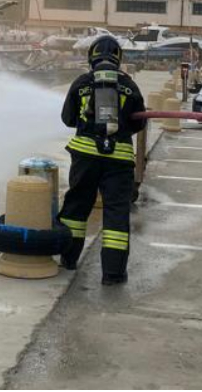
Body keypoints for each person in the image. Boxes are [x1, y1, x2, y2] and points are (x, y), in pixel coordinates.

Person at [58, 35, 147, 285]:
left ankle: (68, 258)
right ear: (119, 60)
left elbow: (67, 118)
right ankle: (113, 274)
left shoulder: (82, 82)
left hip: (85, 156)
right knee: (116, 213)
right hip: (118, 160)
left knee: (76, 207)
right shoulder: (130, 86)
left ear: (91, 57)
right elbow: (139, 122)